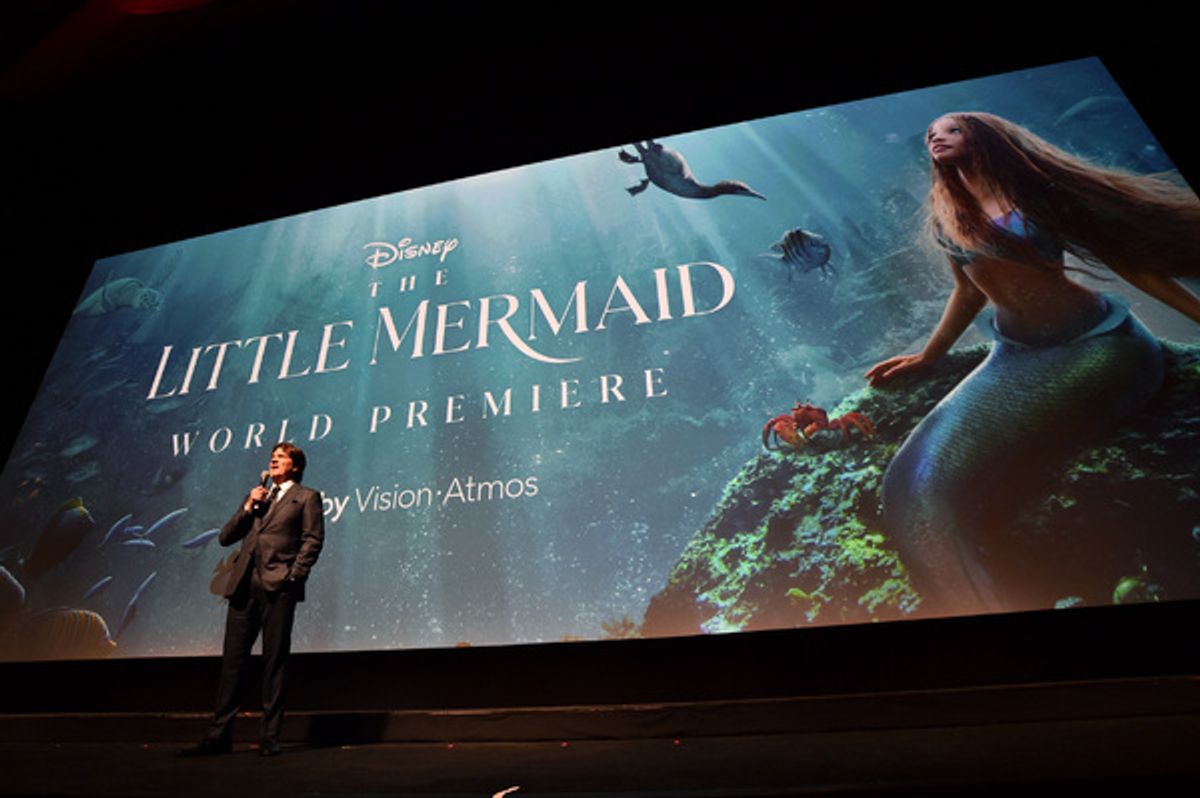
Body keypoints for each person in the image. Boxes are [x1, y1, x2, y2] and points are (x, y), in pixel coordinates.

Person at [865, 112, 1200, 617]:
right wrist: (929, 356)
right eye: (931, 133)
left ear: (983, 136)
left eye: (952, 129)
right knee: (908, 485)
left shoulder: (1034, 192)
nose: (937, 135)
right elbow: (967, 292)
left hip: (1099, 346)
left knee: (926, 490)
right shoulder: (946, 212)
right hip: (1016, 354)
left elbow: (1130, 262)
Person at [181, 442, 325, 757]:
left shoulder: (307, 497)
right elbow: (225, 537)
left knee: (274, 662)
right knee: (232, 663)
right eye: (272, 457)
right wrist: (248, 506)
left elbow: (313, 539)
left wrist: (293, 576)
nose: (274, 460)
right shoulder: (259, 495)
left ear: (295, 466)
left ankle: (270, 737)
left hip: (278, 587)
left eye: (281, 457)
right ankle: (219, 736)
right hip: (244, 586)